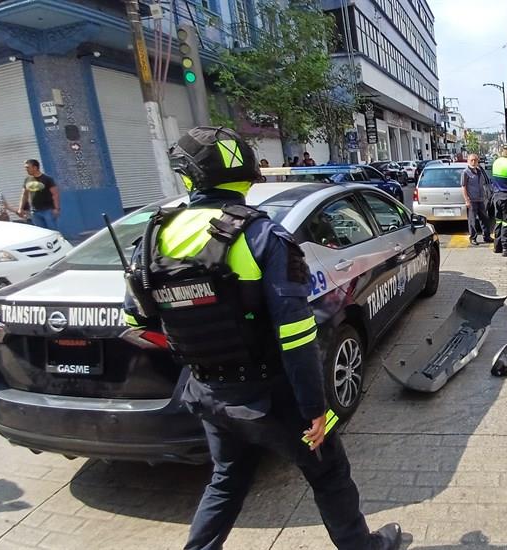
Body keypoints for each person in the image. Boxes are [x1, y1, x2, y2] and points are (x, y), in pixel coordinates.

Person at [123, 127, 402, 550]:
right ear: (248, 175)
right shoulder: (263, 236)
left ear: (189, 177)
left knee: (227, 477)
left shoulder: (153, 236)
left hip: (207, 390)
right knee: (329, 475)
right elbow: (296, 334)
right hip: (276, 395)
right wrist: (315, 410)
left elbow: (137, 319)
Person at [461, 153, 493, 245]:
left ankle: (486, 236)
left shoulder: (479, 171)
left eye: (475, 160)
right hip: (472, 200)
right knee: (472, 220)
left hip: (481, 199)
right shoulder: (465, 172)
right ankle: (473, 238)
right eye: (472, 160)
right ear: (468, 161)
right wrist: (467, 200)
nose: (474, 162)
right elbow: (463, 187)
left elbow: (485, 183)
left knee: (485, 219)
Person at [18, 159, 59, 230]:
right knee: (42, 232)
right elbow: (24, 195)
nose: (26, 169)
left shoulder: (47, 179)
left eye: (28, 167)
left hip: (47, 210)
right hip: (35, 212)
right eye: (25, 168)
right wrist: (20, 208)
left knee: (53, 231)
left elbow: (55, 194)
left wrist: (56, 208)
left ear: (35, 167)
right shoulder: (27, 180)